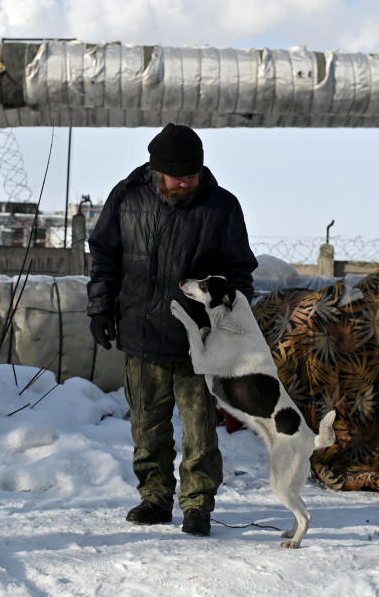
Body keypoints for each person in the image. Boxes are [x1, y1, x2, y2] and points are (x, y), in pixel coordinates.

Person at [86, 123, 258, 537]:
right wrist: (99, 309)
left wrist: (227, 323)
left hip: (199, 343)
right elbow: (105, 257)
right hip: (141, 336)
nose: (184, 183)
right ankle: (155, 498)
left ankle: (197, 505)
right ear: (156, 170)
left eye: (191, 175)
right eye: (176, 176)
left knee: (200, 434)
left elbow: (239, 273)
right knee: (147, 429)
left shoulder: (222, 207)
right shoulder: (126, 199)